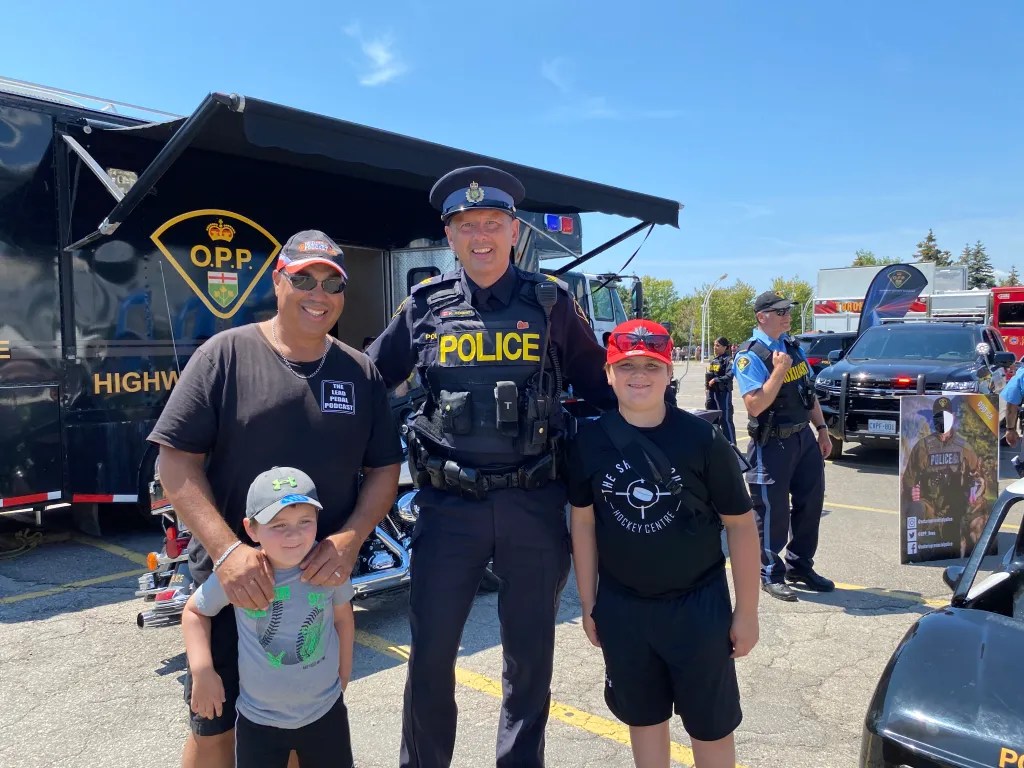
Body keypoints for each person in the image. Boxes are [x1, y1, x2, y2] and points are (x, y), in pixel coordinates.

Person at [367, 165, 614, 768]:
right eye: (467, 225)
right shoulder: (423, 307)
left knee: (530, 661)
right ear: (449, 235)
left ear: (514, 231)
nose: (481, 236)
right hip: (447, 510)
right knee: (430, 657)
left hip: (534, 503)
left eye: (493, 223)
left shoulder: (551, 303)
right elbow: (369, 382)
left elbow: (601, 392)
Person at [149, 229, 403, 768]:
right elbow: (175, 463)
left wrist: (349, 540)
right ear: (278, 281)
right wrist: (227, 553)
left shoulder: (359, 372)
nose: (319, 293)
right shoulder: (226, 355)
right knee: (216, 730)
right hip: (236, 582)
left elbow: (384, 468)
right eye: (304, 279)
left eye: (332, 283)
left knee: (296, 732)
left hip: (314, 586)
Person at [566, 319, 760, 768]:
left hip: (699, 608)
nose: (639, 375)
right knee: (644, 720)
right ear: (608, 374)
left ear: (669, 372)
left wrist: (746, 612)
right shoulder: (588, 442)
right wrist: (590, 603)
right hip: (624, 609)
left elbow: (740, 525)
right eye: (626, 365)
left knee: (710, 728)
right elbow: (583, 523)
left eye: (652, 366)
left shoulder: (702, 439)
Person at [182, 467, 355, 768]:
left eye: (305, 522)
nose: (293, 534)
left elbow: (343, 616)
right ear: (251, 529)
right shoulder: (243, 574)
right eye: (278, 524)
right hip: (259, 721)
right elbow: (194, 612)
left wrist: (344, 670)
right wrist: (202, 672)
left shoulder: (326, 564)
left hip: (326, 712)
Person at [734, 291, 834, 603]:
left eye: (788, 310)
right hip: (772, 442)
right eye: (780, 311)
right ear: (761, 316)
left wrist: (822, 430)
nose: (787, 315)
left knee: (810, 504)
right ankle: (770, 574)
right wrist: (778, 371)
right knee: (772, 512)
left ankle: (800, 566)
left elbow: (808, 393)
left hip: (804, 437)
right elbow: (755, 405)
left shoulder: (792, 347)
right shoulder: (750, 355)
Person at [901, 396, 983, 558]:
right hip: (929, 504)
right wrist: (912, 492)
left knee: (975, 519)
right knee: (915, 508)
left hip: (954, 506)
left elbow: (977, 477)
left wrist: (973, 491)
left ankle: (971, 555)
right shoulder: (922, 446)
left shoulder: (964, 448)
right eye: (939, 416)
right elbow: (909, 480)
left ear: (953, 417)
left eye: (946, 416)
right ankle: (913, 553)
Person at [705, 336, 737, 445]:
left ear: (725, 347)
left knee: (725, 419)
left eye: (718, 345)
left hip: (723, 393)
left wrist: (716, 380)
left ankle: (732, 446)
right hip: (712, 393)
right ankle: (715, 445)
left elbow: (729, 375)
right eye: (714, 345)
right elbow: (709, 375)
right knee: (712, 418)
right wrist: (707, 388)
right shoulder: (714, 360)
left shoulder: (729, 360)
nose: (715, 347)